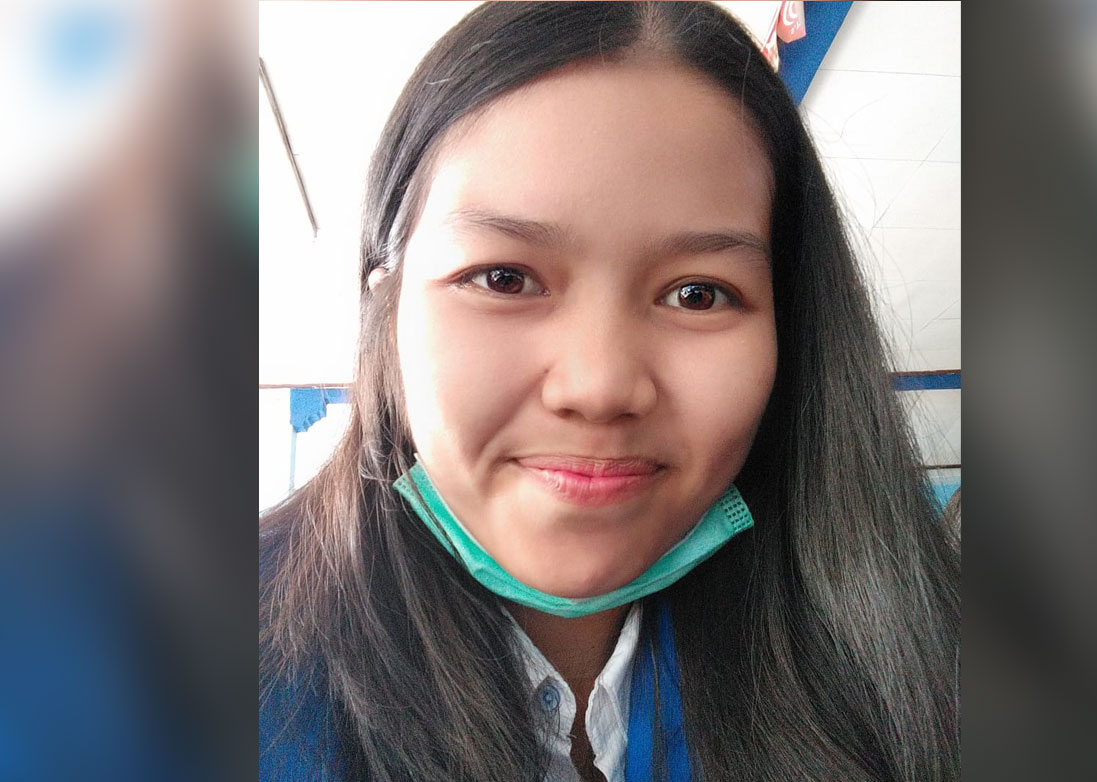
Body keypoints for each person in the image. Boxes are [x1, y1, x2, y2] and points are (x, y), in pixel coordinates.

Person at [259, 3, 960, 780]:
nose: (598, 388)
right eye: (504, 278)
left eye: (697, 294)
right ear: (386, 313)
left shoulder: (931, 665)